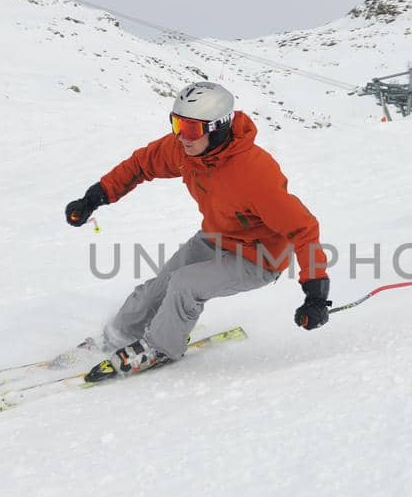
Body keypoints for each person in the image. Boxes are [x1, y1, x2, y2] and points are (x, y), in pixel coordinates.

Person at [64, 81, 330, 380]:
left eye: (191, 129)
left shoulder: (256, 173)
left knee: (185, 284)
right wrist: (94, 198)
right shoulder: (186, 149)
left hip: (259, 258)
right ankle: (116, 336)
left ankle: (162, 347)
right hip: (216, 237)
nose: (181, 137)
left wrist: (316, 295)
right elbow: (141, 165)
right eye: (177, 124)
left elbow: (304, 229)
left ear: (218, 128)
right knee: (159, 285)